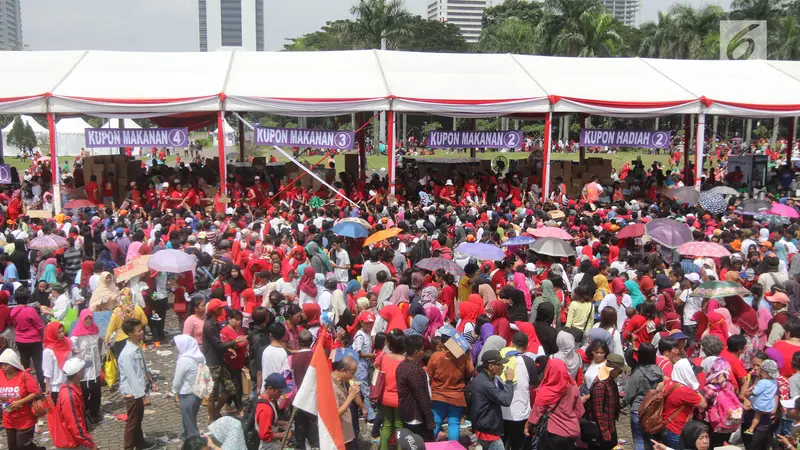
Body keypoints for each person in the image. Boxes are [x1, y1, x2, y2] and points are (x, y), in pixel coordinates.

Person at [202, 298, 245, 422]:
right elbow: (218, 345)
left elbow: (220, 345)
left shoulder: (215, 323)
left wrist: (228, 349)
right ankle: (211, 418)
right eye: (221, 308)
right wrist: (234, 342)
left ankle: (216, 412)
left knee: (230, 388)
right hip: (213, 364)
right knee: (213, 394)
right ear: (216, 311)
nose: (223, 310)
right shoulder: (209, 325)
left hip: (219, 362)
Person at [117, 319, 157, 450]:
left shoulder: (137, 346)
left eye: (141, 329)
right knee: (132, 422)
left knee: (138, 419)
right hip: (132, 392)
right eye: (138, 330)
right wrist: (142, 395)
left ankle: (140, 443)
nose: (141, 332)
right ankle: (128, 447)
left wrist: (151, 381)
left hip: (140, 389)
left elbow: (143, 366)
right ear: (130, 334)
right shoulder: (127, 353)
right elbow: (132, 377)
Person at [527, 359, 583, 450]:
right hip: (572, 431)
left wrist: (527, 426)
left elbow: (537, 412)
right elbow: (579, 411)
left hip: (554, 432)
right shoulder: (573, 386)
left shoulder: (546, 390)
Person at [470, 349, 515, 450]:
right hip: (489, 432)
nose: (503, 367)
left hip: (483, 427)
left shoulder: (480, 379)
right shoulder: (486, 384)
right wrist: (509, 380)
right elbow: (506, 400)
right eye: (500, 364)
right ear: (491, 367)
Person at [0, 348, 44, 450]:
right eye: (1, 364)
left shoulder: (24, 376)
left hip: (25, 418)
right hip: (9, 418)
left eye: (6, 364)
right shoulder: (1, 375)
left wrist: (20, 402)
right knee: (12, 446)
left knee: (22, 446)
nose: (3, 367)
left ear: (13, 363)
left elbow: (35, 392)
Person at [50, 358, 97, 450]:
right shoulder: (69, 396)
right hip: (71, 443)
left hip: (70, 440)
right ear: (78, 374)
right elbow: (74, 424)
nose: (85, 370)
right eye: (83, 369)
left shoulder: (70, 389)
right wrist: (90, 443)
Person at [397, 334, 435, 441]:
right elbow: (422, 397)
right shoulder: (415, 371)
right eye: (423, 349)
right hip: (416, 416)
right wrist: (430, 419)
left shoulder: (402, 365)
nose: (424, 352)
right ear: (416, 352)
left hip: (406, 413)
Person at [661, 359, 706, 449]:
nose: (696, 375)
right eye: (693, 373)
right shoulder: (685, 391)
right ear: (687, 373)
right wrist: (694, 386)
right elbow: (704, 404)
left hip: (666, 425)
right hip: (676, 430)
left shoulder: (669, 383)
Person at [502, 332, 536, 450]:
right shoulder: (529, 362)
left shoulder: (503, 359)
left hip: (502, 411)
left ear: (511, 344)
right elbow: (532, 385)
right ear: (527, 347)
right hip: (521, 413)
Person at [625, 343, 662, 450]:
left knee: (639, 440)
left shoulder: (637, 372)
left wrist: (618, 406)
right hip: (652, 410)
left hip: (638, 409)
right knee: (651, 440)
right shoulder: (659, 371)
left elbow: (629, 395)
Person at [69, 309, 103, 422]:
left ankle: (95, 412)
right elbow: (72, 346)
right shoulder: (77, 334)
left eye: (90, 318)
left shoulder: (95, 329)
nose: (88, 321)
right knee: (84, 389)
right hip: (83, 364)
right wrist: (75, 351)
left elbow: (100, 342)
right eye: (86, 319)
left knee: (96, 389)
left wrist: (102, 353)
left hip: (95, 363)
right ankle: (84, 411)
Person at [587, 353, 624, 450]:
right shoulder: (600, 385)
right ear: (613, 369)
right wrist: (605, 432)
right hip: (602, 431)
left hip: (610, 426)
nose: (620, 373)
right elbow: (598, 412)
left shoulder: (610, 380)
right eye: (619, 370)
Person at [376, 329, 406, 450]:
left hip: (385, 397)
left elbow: (376, 367)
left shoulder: (382, 357)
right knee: (399, 426)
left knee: (386, 425)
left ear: (388, 344)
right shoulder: (405, 361)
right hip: (400, 398)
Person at [10, 288, 45, 390]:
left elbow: (14, 324)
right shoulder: (30, 310)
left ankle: (24, 387)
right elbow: (39, 326)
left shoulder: (13, 311)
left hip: (20, 340)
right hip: (34, 340)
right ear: (27, 298)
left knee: (24, 365)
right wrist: (42, 336)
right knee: (38, 365)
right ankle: (42, 388)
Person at [172, 335, 205, 442]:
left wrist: (175, 392)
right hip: (197, 393)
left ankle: (196, 444)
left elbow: (177, 380)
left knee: (190, 425)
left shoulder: (184, 360)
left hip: (186, 394)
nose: (177, 347)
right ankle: (183, 437)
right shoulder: (200, 357)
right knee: (189, 418)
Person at [330, 356, 361, 450]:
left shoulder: (342, 381)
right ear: (343, 371)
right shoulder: (331, 386)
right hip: (339, 435)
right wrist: (351, 396)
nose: (353, 376)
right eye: (352, 373)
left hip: (346, 432)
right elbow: (335, 413)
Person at [255, 373, 292, 450]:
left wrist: (279, 422)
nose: (281, 394)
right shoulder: (265, 408)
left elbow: (266, 421)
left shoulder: (266, 401)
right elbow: (264, 435)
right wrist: (283, 435)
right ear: (270, 388)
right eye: (279, 392)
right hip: (268, 447)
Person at [746, 359, 779, 434]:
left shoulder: (763, 382)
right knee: (760, 417)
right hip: (769, 404)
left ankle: (751, 428)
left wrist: (749, 393)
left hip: (760, 404)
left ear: (764, 372)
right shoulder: (774, 381)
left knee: (756, 415)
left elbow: (755, 392)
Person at [43, 322, 71, 403]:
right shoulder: (48, 351)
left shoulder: (67, 343)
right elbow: (47, 371)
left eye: (63, 331)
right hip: (55, 387)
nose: (62, 334)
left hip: (67, 383)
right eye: (59, 332)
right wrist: (47, 389)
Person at [260, 323, 289, 391]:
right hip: (277, 393)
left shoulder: (263, 351)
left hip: (264, 391)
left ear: (270, 335)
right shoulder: (285, 353)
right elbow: (286, 375)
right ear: (283, 336)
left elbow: (259, 371)